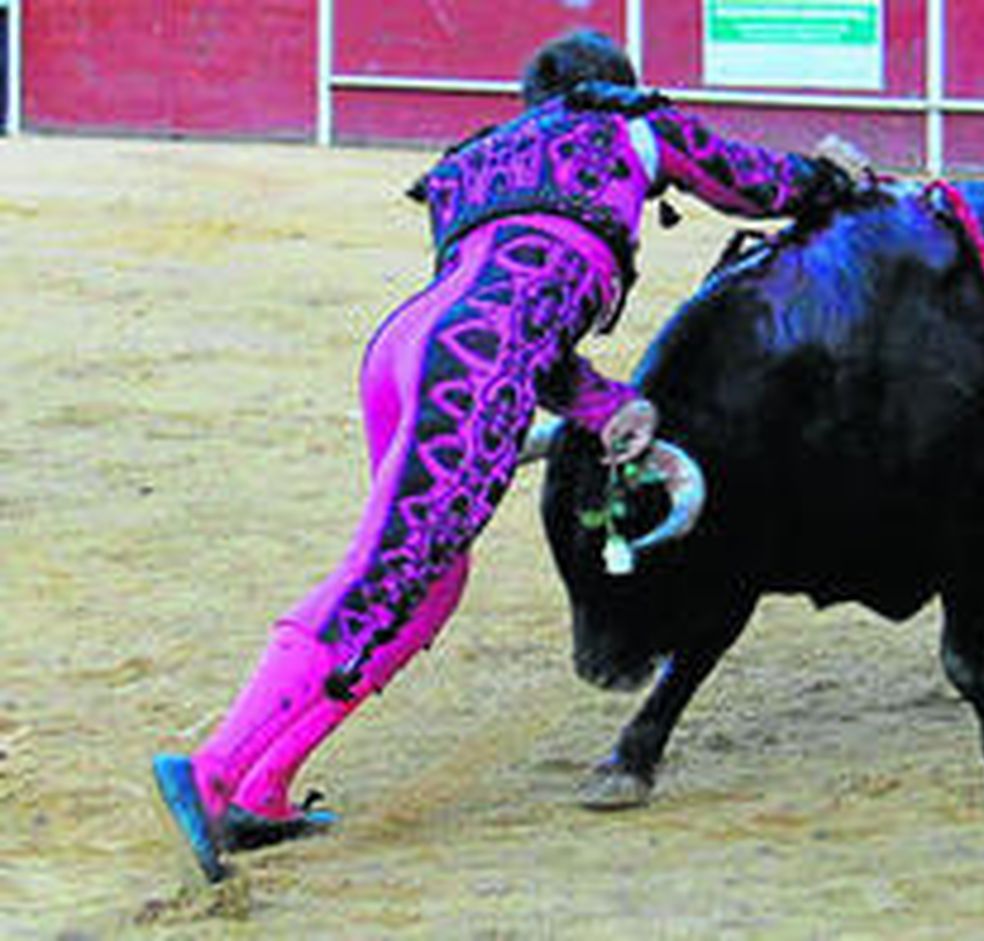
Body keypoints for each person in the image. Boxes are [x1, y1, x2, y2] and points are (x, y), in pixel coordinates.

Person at [152, 29, 862, 883]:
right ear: (612, 87)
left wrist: (605, 405)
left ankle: (262, 789)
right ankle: (212, 766)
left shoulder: (478, 161)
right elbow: (755, 184)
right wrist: (832, 175)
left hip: (409, 350)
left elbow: (518, 313)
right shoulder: (630, 124)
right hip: (472, 363)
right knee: (385, 571)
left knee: (430, 583)